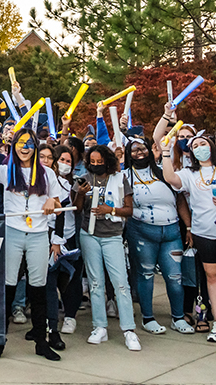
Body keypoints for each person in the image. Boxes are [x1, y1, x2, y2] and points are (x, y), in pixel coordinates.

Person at [155, 103, 216, 351]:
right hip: (203, 232)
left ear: (211, 146)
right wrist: (166, 152)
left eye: (202, 144)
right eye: (194, 146)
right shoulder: (189, 173)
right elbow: (170, 178)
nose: (199, 148)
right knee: (212, 278)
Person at [0, 115, 64, 362]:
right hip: (13, 233)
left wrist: (51, 202)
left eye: (29, 143)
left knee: (39, 288)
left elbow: (57, 204)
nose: (25, 148)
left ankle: (41, 341)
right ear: (13, 146)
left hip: (38, 235)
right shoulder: (6, 171)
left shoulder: (47, 174)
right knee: (8, 286)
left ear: (36, 147)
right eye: (20, 143)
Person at [125, 136, 195, 336]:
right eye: (135, 150)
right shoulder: (124, 176)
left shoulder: (163, 172)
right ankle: (148, 317)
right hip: (141, 231)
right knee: (145, 275)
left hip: (172, 231)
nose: (139, 153)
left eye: (143, 149)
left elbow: (180, 200)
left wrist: (188, 227)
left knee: (174, 277)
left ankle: (178, 317)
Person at [74, 143, 141, 351]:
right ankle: (99, 326)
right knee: (95, 282)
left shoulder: (119, 179)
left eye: (99, 161)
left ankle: (129, 330)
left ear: (107, 161)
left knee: (120, 282)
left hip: (112, 235)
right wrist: (81, 194)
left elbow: (129, 210)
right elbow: (77, 208)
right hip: (89, 234)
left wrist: (110, 210)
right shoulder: (84, 179)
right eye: (92, 162)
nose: (96, 165)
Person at [46, 144, 82, 342]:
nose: (65, 164)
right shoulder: (47, 180)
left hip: (69, 235)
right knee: (51, 279)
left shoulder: (72, 184)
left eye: (69, 161)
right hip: (48, 235)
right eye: (62, 160)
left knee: (71, 278)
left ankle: (70, 316)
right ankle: (50, 322)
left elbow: (72, 208)